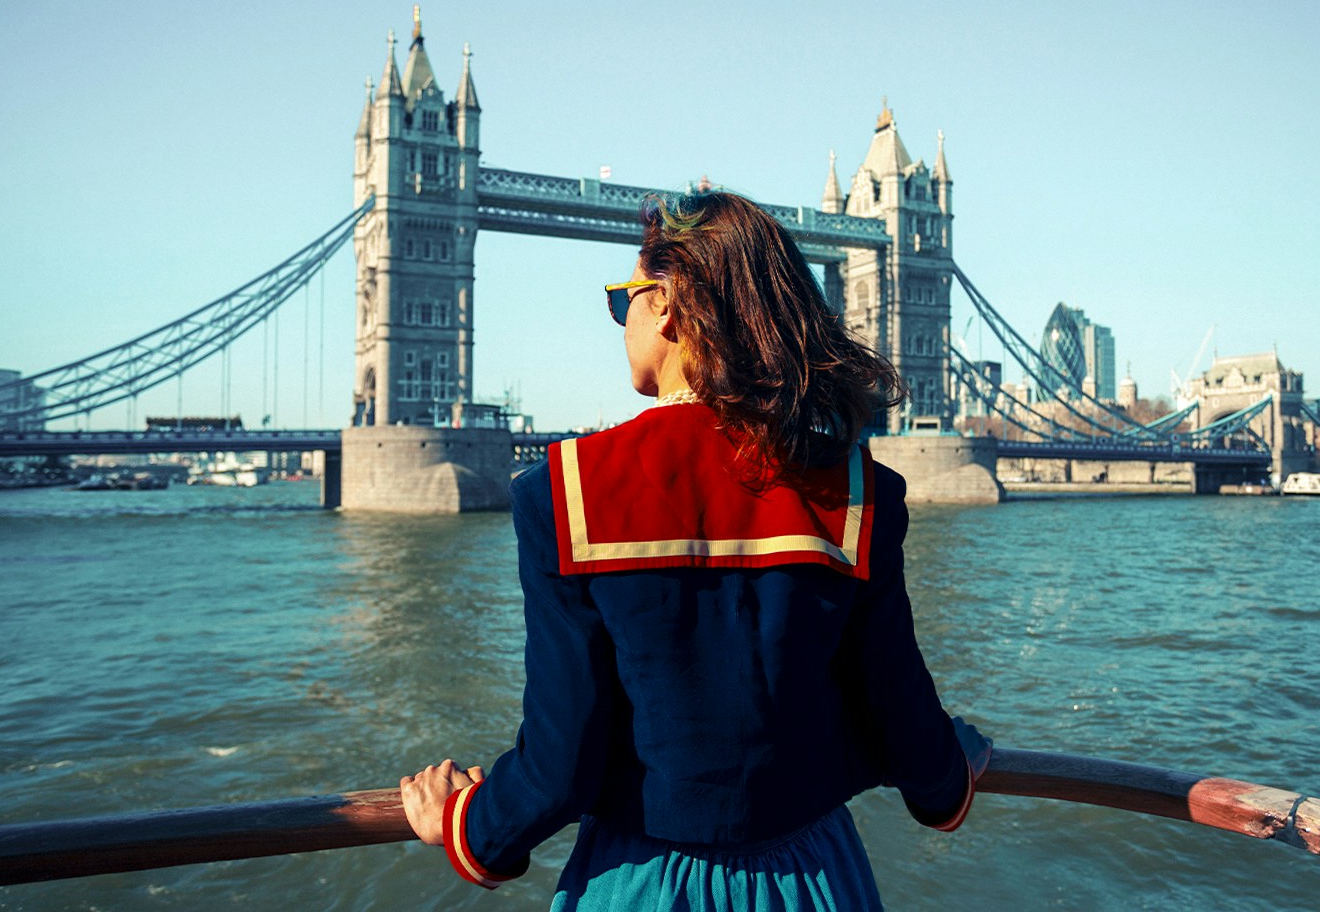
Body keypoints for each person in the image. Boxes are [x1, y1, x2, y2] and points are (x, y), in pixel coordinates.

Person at [400, 189, 991, 910]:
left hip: (643, 880)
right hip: (814, 880)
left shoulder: (563, 491)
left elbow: (561, 769)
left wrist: (465, 824)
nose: (621, 324)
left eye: (625, 302)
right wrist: (950, 779)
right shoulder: (861, 493)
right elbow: (903, 719)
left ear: (670, 305)